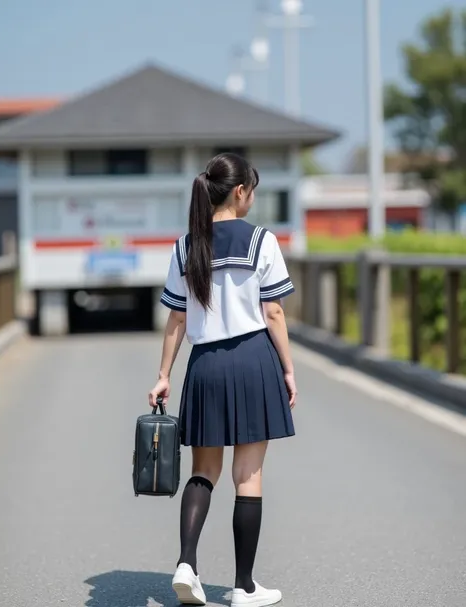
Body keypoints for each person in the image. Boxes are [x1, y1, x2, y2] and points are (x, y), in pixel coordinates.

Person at [149, 152, 297, 607]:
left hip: (205, 364)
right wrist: (289, 369)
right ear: (239, 192)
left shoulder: (186, 245)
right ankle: (244, 587)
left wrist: (162, 375)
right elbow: (273, 311)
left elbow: (176, 318)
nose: (252, 198)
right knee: (247, 476)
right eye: (251, 190)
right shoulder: (262, 241)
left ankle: (187, 565)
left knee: (204, 471)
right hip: (254, 360)